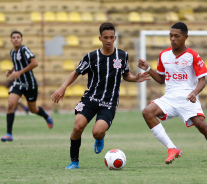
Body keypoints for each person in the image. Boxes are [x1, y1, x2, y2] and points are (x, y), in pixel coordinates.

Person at [51, 22, 149, 169]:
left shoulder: (122, 56)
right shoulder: (91, 57)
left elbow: (126, 74)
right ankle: (74, 161)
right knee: (78, 127)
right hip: (90, 99)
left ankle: (99, 138)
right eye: (105, 37)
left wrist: (135, 79)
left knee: (97, 132)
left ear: (115, 37)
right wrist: (63, 87)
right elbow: (76, 72)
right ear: (100, 38)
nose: (108, 40)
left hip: (109, 102)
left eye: (111, 37)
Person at [138, 22, 207, 168]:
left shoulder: (192, 56)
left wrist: (194, 93)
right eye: (171, 36)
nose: (173, 39)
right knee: (147, 112)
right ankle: (172, 148)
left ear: (185, 37)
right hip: (169, 98)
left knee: (203, 127)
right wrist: (148, 69)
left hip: (188, 98)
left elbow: (202, 80)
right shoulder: (164, 55)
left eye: (176, 36)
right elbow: (161, 79)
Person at [1, 31, 54, 142]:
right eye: (14, 37)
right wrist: (11, 70)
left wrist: (19, 72)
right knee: (11, 104)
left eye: (18, 37)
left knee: (33, 109)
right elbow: (17, 64)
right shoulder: (12, 52)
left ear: (22, 39)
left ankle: (46, 116)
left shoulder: (24, 50)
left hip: (30, 84)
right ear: (11, 40)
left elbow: (35, 63)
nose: (16, 39)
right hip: (18, 84)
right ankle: (9, 134)